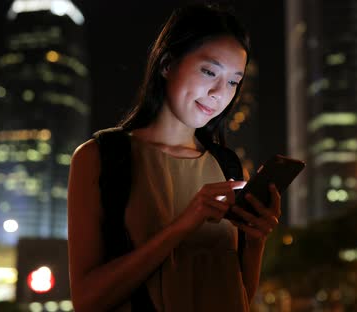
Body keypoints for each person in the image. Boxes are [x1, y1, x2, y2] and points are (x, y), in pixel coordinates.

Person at [67, 4, 281, 312]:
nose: (219, 93)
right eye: (209, 71)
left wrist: (256, 240)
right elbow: (87, 300)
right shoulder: (102, 156)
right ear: (167, 64)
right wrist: (185, 223)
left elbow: (239, 296)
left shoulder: (227, 166)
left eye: (234, 81)